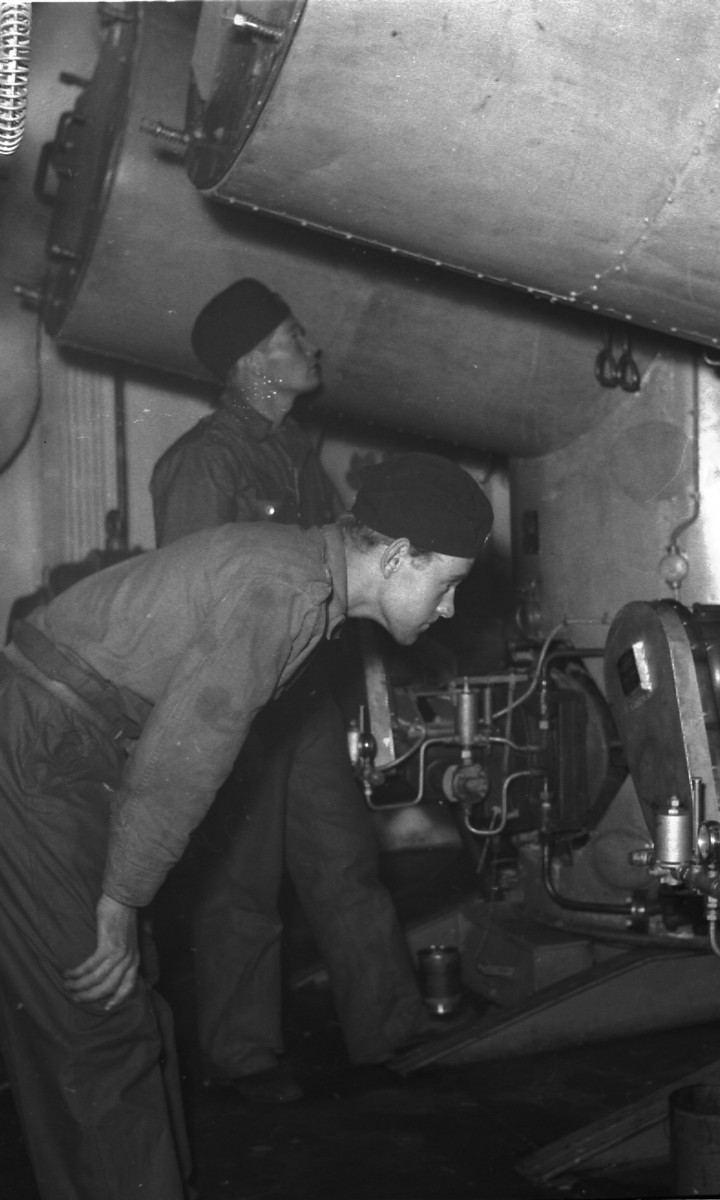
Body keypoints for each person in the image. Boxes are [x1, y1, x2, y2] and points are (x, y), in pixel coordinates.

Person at [0, 454, 493, 1200]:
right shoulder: (283, 590)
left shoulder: (303, 578)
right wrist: (121, 900)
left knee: (130, 999)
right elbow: (183, 757)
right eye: (447, 584)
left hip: (65, 748)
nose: (449, 609)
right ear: (396, 557)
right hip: (31, 752)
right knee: (99, 1017)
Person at [149, 279, 455, 1103]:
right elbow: (194, 601)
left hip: (305, 703)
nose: (311, 346)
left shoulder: (296, 453)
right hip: (243, 707)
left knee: (345, 864)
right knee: (241, 886)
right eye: (293, 335)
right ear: (254, 362)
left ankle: (392, 1029)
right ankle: (243, 1056)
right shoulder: (204, 463)